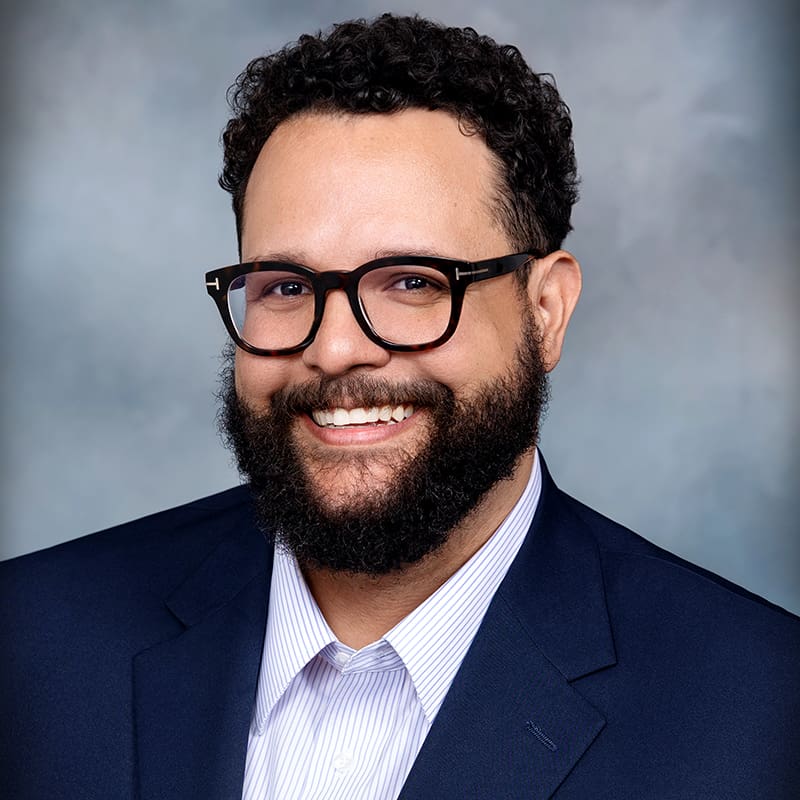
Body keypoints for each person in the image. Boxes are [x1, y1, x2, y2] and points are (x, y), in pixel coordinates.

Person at [1, 13, 798, 800]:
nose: (338, 349)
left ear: (546, 309)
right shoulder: (30, 643)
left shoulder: (761, 715)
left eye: (414, 282)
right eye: (286, 286)